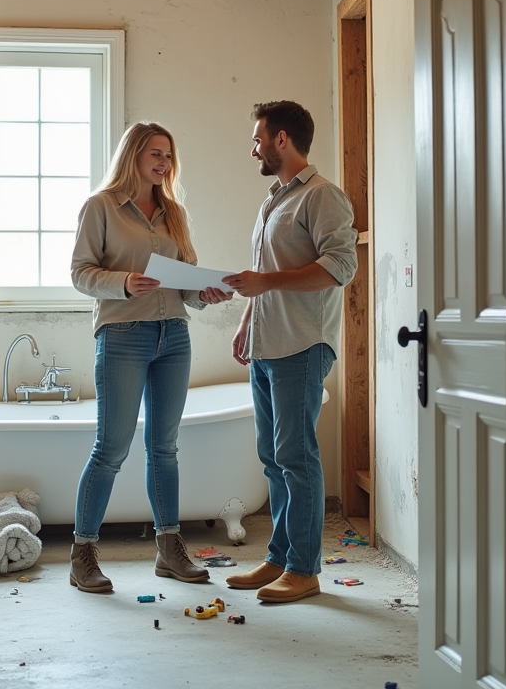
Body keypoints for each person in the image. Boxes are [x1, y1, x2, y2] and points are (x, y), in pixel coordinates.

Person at [69, 121, 234, 593]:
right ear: (133, 156)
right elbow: (80, 273)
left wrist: (207, 295)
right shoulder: (100, 207)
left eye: (168, 155)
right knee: (111, 449)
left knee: (164, 448)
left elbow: (186, 283)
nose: (163, 162)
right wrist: (123, 282)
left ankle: (169, 548)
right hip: (123, 334)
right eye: (154, 154)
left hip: (173, 337)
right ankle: (83, 554)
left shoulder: (173, 213)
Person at [221, 100, 358, 604]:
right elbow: (263, 271)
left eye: (258, 137)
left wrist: (265, 285)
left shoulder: (323, 197)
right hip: (267, 344)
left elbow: (341, 266)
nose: (252, 146)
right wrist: (245, 321)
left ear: (283, 139)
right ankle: (279, 558)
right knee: (273, 458)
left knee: (296, 457)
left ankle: (304, 569)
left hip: (302, 345)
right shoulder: (273, 198)